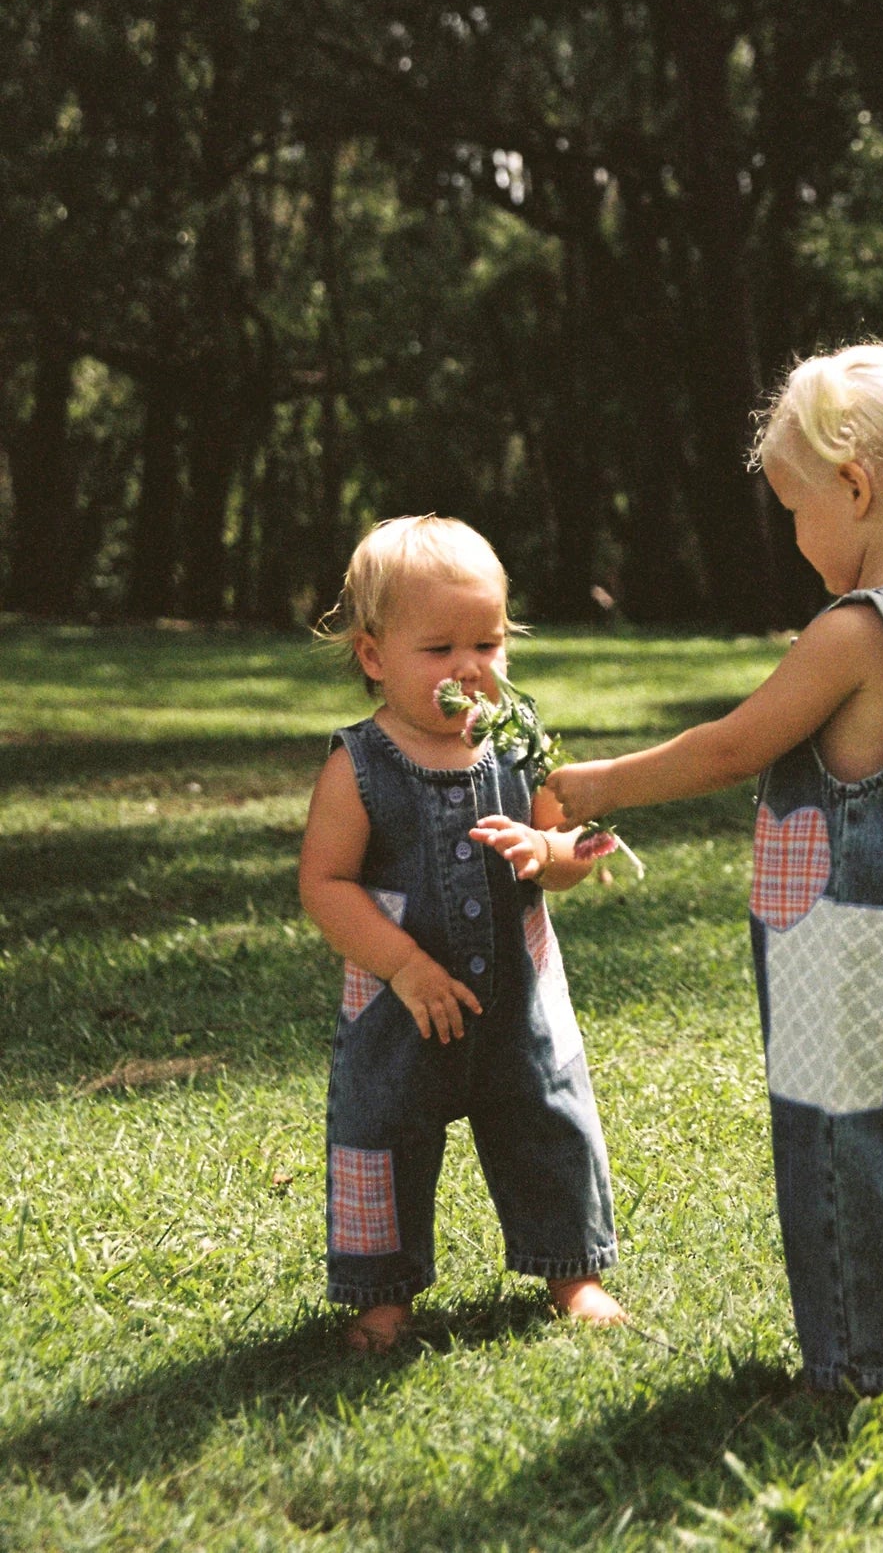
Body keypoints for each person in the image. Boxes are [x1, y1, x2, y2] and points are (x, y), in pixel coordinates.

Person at [547, 344, 883, 1395]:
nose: (796, 536)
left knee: (843, 1157)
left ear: (853, 486)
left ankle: (857, 1366)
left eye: (797, 509)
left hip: (846, 942)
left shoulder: (852, 631)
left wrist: (605, 783)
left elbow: (732, 745)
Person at [299, 514, 624, 1352]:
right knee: (383, 1134)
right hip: (400, 1010)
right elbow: (325, 884)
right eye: (438, 649)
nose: (469, 668)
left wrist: (548, 849)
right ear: (374, 657)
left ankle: (571, 1272)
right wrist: (402, 968)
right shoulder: (360, 764)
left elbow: (573, 852)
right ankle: (382, 1295)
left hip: (519, 1003)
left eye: (487, 643)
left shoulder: (517, 746)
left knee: (548, 1122)